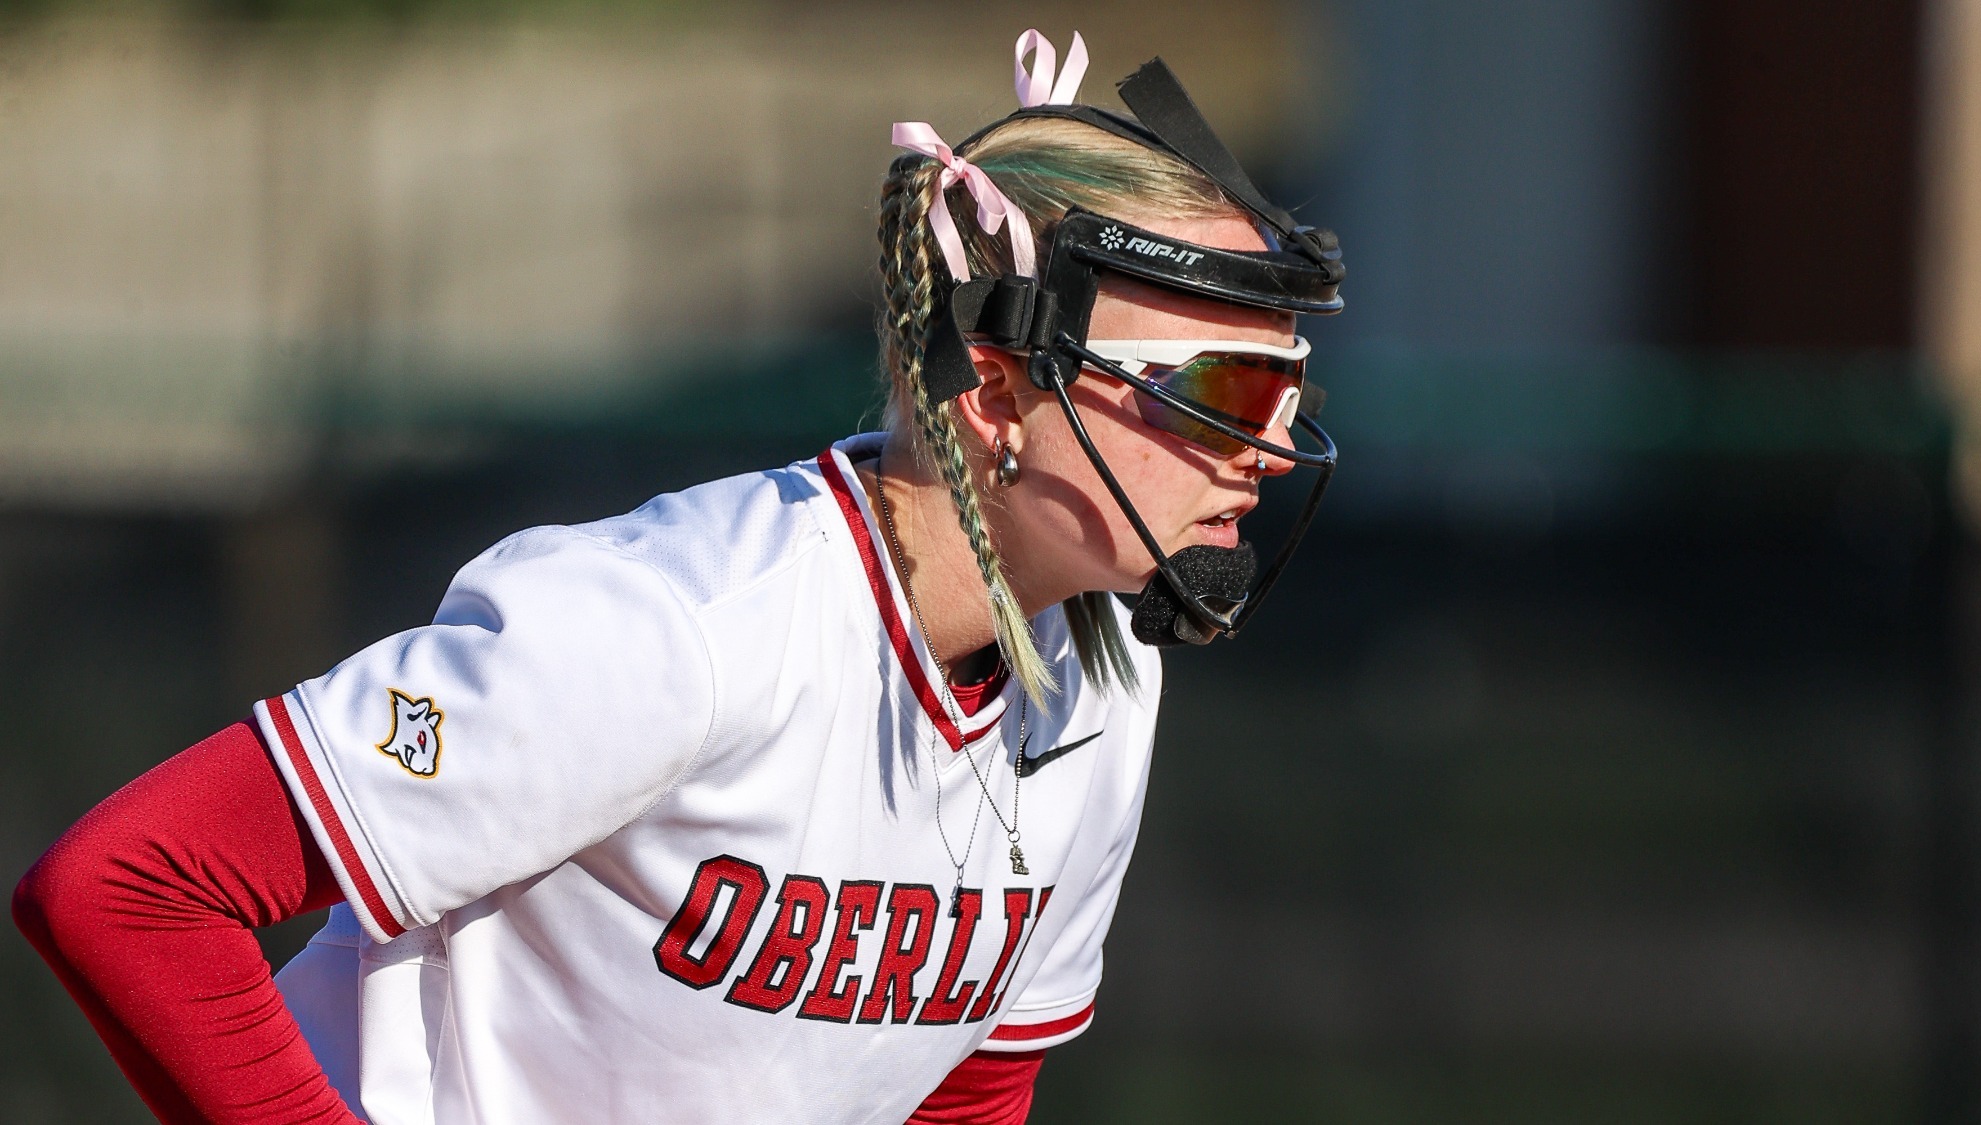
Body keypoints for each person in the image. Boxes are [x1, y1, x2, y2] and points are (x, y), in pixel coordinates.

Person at [12, 29, 1342, 1124]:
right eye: (1224, 387)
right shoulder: (681, 628)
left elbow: (972, 1084)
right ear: (998, 386)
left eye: (1290, 390)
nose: (1276, 444)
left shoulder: (1099, 693)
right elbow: (131, 886)